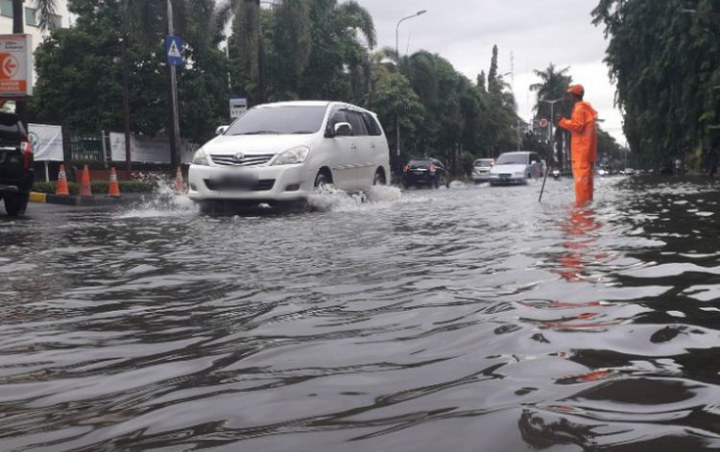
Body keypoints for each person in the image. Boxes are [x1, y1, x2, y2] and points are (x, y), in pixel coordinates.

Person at [555, 84, 598, 206]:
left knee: (581, 181)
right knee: (587, 181)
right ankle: (587, 204)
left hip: (581, 152)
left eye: (570, 95)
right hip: (587, 151)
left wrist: (562, 121)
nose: (569, 97)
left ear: (574, 96)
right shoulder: (586, 109)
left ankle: (581, 207)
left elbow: (578, 126)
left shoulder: (579, 109)